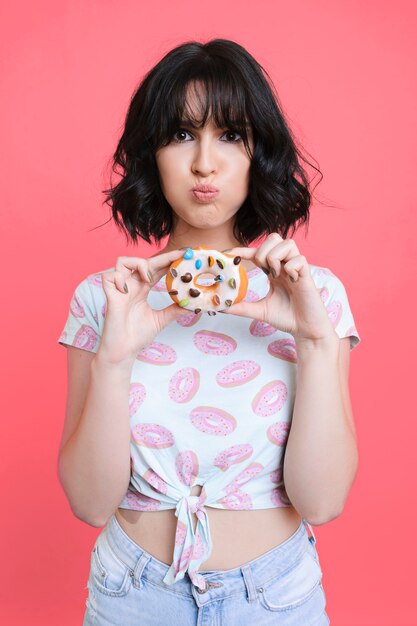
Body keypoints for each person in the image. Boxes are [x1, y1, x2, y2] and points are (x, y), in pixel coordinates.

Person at [57, 38, 361, 626]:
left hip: (276, 599)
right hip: (133, 598)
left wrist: (317, 342)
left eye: (231, 136)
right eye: (179, 135)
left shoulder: (313, 296)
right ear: (151, 154)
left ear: (259, 154)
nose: (204, 163)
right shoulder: (106, 300)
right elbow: (89, 504)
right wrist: (114, 360)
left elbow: (322, 503)